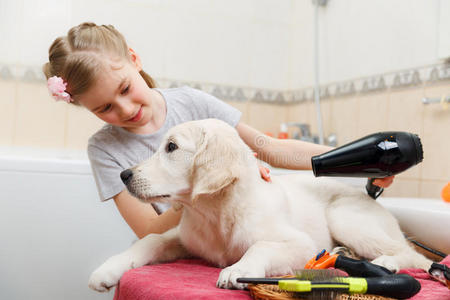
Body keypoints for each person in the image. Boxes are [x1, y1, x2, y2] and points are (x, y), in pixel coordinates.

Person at [43, 22, 394, 239]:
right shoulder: (105, 149)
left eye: (123, 89)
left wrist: (356, 161)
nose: (125, 109)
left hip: (238, 239)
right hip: (179, 246)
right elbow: (148, 230)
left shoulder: (192, 105)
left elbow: (269, 147)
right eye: (104, 108)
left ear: (134, 59)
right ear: (86, 108)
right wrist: (223, 180)